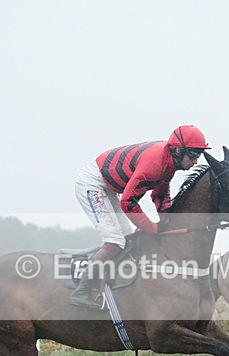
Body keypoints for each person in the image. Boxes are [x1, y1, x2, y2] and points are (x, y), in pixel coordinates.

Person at [70, 125, 210, 308]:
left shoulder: (168, 163)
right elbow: (128, 202)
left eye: (198, 155)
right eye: (193, 154)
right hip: (93, 184)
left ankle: (109, 280)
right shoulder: (155, 165)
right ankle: (83, 290)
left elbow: (159, 194)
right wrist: (151, 228)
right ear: (178, 150)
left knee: (126, 236)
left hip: (110, 187)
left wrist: (166, 217)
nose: (195, 161)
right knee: (114, 240)